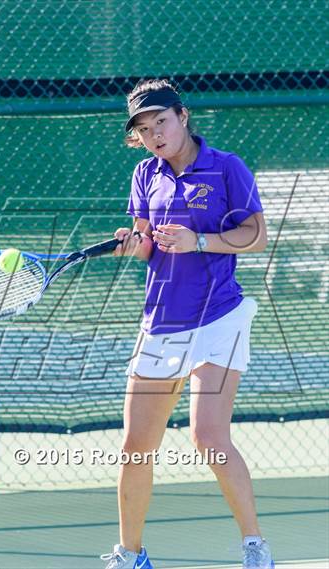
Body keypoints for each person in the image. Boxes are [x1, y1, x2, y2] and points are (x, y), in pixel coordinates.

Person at [100, 79, 274, 569]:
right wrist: (134, 244)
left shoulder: (226, 168)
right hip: (161, 322)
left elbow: (256, 235)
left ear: (182, 115)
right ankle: (130, 556)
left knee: (209, 438)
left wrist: (199, 240)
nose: (155, 133)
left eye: (162, 121)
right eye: (144, 128)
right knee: (135, 447)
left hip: (219, 317)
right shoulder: (144, 175)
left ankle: (254, 546)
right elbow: (146, 244)